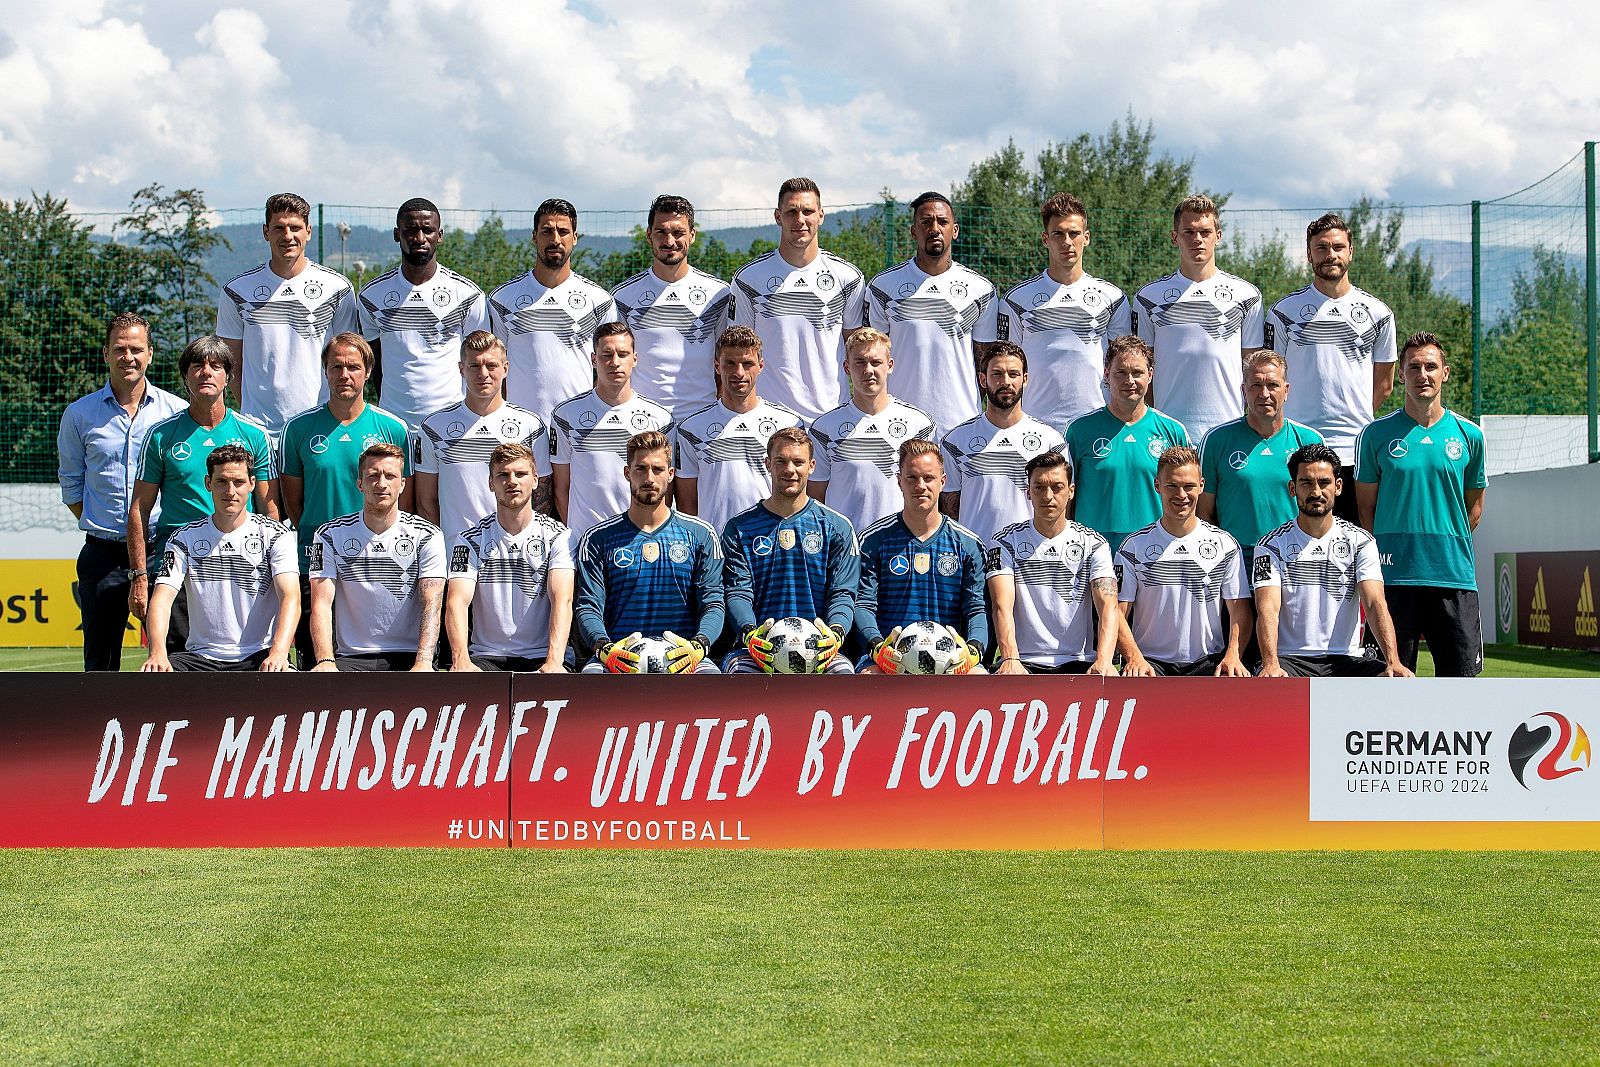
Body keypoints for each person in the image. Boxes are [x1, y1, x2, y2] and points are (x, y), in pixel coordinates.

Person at [127, 336, 278, 648]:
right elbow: (139, 509)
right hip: (179, 568)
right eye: (197, 365)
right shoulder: (161, 436)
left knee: (245, 661)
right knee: (175, 664)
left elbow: (270, 510)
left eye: (216, 366)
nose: (206, 372)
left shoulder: (254, 435)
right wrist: (140, 576)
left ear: (228, 377)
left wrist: (276, 569)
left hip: (242, 564)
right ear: (186, 376)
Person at [58, 312, 184, 670]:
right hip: (103, 555)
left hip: (163, 552)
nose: (128, 357)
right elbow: (71, 484)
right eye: (119, 349)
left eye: (136, 349)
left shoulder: (176, 413)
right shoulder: (79, 414)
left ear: (150, 354)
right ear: (106, 354)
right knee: (100, 664)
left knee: (173, 658)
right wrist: (106, 525)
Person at [1356, 332, 1487, 677]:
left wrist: (1441, 544)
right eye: (1413, 367)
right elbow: (1366, 509)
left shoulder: (1470, 435)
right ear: (1401, 374)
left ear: (1445, 373)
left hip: (1453, 576)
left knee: (1461, 683)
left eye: (1430, 366)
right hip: (1393, 578)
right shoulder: (1374, 435)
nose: (1422, 374)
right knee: (1387, 680)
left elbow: (1474, 510)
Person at [280, 333, 412, 666]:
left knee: (373, 662)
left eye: (353, 367)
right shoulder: (297, 429)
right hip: (316, 562)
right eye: (336, 367)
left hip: (376, 563)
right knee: (318, 664)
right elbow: (294, 503)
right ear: (324, 370)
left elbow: (403, 500)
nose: (344, 375)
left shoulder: (394, 428)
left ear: (368, 372)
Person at [1268, 213, 1397, 521]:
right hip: (1297, 449)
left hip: (1356, 450)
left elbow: (1385, 384)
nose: (1330, 255)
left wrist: (1351, 414)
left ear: (1350, 251)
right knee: (1298, 538)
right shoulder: (1283, 312)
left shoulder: (1378, 313)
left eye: (1338, 247)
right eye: (1322, 248)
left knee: (1357, 539)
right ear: (1309, 253)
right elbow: (1272, 378)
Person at [1254, 444, 1412, 678]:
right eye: (1306, 483)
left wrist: (1393, 661)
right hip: (1290, 661)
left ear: (1338, 486)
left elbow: (1374, 602)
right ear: (1292, 488)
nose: (1316, 492)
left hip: (1346, 659)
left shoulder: (1361, 542)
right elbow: (1268, 609)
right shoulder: (1269, 546)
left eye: (1324, 482)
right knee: (1269, 678)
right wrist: (1270, 663)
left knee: (1393, 678)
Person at [573, 431, 724, 674]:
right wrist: (604, 648)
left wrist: (698, 646)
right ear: (627, 473)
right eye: (641, 469)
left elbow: (713, 603)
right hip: (619, 656)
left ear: (671, 474)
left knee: (712, 678)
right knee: (591, 677)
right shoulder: (598, 539)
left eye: (658, 469)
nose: (649, 478)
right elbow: (588, 607)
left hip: (683, 657)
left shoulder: (701, 535)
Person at [141, 446, 298, 672]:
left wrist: (279, 653)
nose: (230, 491)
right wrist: (157, 653)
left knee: (292, 684)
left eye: (238, 482)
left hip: (260, 655)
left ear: (252, 483)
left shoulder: (275, 535)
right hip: (199, 657)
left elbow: (290, 597)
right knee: (151, 678)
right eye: (222, 481)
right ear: (208, 483)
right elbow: (161, 599)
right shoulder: (184, 538)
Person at [216, 192, 359, 435]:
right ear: (266, 232)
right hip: (258, 431)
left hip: (322, 427)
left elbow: (350, 360)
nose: (288, 236)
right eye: (279, 228)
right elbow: (231, 365)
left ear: (309, 231)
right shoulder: (237, 291)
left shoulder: (338, 288)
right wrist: (252, 412)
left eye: (295, 227)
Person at [728, 177, 865, 422]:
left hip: (831, 418)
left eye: (807, 211)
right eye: (791, 212)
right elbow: (738, 354)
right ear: (778, 217)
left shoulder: (848, 277)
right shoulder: (748, 279)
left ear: (821, 216)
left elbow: (858, 351)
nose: (800, 220)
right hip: (770, 420)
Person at [721, 428, 859, 674]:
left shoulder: (837, 527)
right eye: (781, 461)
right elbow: (737, 592)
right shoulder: (739, 528)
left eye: (798, 462)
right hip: (756, 649)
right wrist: (750, 634)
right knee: (739, 674)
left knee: (843, 674)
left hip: (820, 649)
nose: (789, 470)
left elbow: (842, 593)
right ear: (768, 464)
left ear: (812, 466)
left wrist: (835, 633)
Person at [995, 192, 1131, 434]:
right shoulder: (1016, 300)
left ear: (1086, 238)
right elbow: (1007, 367)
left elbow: (1123, 366)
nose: (1067, 241)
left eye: (1074, 233)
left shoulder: (1113, 298)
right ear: (1045, 239)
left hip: (1098, 424)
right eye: (1058, 233)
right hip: (1035, 427)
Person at [865, 191, 998, 436]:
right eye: (926, 222)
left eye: (942, 222)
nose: (934, 229)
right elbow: (872, 359)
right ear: (913, 231)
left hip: (960, 425)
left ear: (954, 231)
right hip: (898, 424)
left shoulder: (981, 290)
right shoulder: (882, 287)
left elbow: (986, 365)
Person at [1134, 194, 1263, 442]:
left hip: (1228, 431)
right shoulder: (1148, 298)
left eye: (1205, 232)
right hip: (1166, 432)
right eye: (1189, 232)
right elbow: (1143, 371)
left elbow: (1253, 370)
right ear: (1175, 237)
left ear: (1218, 236)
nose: (1197, 239)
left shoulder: (1247, 296)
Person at [1115, 446, 1253, 677]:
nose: (1181, 495)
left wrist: (1233, 655)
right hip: (1149, 666)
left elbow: (1239, 610)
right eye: (1172, 486)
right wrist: (1134, 658)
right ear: (1157, 485)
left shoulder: (1225, 545)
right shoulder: (1133, 547)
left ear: (1201, 485)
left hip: (1208, 664)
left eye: (1188, 486)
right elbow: (1116, 612)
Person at [357, 197, 491, 432]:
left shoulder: (467, 295)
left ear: (440, 235)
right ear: (397, 234)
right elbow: (373, 364)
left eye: (427, 230)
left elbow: (481, 360)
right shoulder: (371, 296)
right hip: (393, 425)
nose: (419, 238)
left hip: (452, 425)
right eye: (411, 230)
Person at [308, 443, 445, 671]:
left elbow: (432, 602)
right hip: (351, 656)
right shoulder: (329, 535)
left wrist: (423, 661)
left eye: (390, 476)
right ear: (360, 484)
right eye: (373, 476)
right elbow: (321, 603)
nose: (381, 484)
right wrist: (325, 661)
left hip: (409, 655)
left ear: (402, 484)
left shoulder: (428, 534)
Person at [856, 439, 987, 675]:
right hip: (889, 659)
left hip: (949, 660)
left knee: (979, 677)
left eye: (928, 478)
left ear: (942, 481)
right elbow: (863, 605)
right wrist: (877, 648)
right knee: (868, 677)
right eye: (912, 478)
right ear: (899, 481)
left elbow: (976, 609)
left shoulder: (968, 544)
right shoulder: (873, 540)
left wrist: (973, 650)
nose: (920, 486)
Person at [445, 444, 574, 673]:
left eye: (521, 474)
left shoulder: (559, 536)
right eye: (503, 475)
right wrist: (461, 659)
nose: (512, 481)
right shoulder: (469, 540)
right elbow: (456, 602)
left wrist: (554, 661)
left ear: (535, 480)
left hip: (542, 655)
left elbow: (562, 600)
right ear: (490, 483)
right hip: (487, 657)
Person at [987, 452, 1119, 675]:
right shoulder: (1004, 542)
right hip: (1023, 663)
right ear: (1028, 492)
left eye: (1057, 487)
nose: (1048, 496)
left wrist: (1104, 660)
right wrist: (1010, 658)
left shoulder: (1094, 543)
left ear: (1071, 491)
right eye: (1039, 487)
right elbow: (1001, 605)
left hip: (1078, 662)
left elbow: (1108, 604)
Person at [487, 198, 618, 422]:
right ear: (534, 236)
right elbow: (495, 368)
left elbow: (610, 370)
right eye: (547, 231)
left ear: (575, 237)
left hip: (578, 427)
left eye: (563, 231)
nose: (555, 239)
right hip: (521, 428)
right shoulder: (502, 299)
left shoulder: (599, 301)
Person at [415, 331, 549, 544]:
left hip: (517, 553)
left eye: (491, 366)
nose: (483, 374)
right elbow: (425, 503)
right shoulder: (434, 427)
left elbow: (542, 499)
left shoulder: (530, 426)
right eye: (474, 366)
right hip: (457, 553)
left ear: (506, 368)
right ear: (461, 369)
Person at [673, 326, 805, 536]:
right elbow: (687, 505)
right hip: (716, 545)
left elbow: (799, 495)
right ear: (717, 366)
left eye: (747, 364)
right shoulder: (691, 429)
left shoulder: (788, 424)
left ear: (760, 366)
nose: (739, 373)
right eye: (730, 364)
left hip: (773, 542)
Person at [1063, 336, 1190, 553]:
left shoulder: (1173, 431)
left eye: (1137, 372)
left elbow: (1190, 494)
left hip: (1155, 550)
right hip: (1095, 551)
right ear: (1106, 374)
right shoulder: (1079, 430)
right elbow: (1065, 497)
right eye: (1120, 372)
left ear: (1150, 374)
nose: (1129, 380)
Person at [611, 194, 732, 419]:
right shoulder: (623, 297)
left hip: (701, 420)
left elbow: (728, 361)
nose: (669, 241)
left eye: (678, 233)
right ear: (649, 235)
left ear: (692, 235)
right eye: (661, 232)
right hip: (644, 422)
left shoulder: (718, 294)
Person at [807, 328, 936, 535]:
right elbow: (816, 497)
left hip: (901, 542)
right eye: (860, 362)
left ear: (890, 365)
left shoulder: (918, 425)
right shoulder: (824, 428)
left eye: (876, 362)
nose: (868, 370)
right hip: (845, 544)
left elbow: (931, 492)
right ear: (847, 367)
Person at [550, 323, 673, 539]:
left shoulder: (661, 419)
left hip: (640, 540)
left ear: (635, 359)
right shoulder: (565, 415)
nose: (615, 362)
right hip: (585, 540)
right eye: (606, 355)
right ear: (593, 359)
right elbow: (561, 488)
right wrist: (579, 536)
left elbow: (666, 490)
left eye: (622, 354)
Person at [939, 342, 1065, 546]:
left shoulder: (1050, 441)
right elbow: (949, 512)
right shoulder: (955, 442)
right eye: (997, 374)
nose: (1005, 382)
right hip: (976, 556)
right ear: (983, 379)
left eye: (1013, 374)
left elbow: (1062, 509)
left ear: (1025, 379)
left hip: (1031, 555)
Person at [1198, 350, 1323, 549]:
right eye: (1256, 385)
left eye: (1273, 385)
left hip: (1293, 555)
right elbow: (1203, 513)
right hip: (1238, 558)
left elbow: (1321, 508)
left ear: (1286, 390)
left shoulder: (1310, 440)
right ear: (1244, 391)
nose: (1264, 394)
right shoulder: (1216, 440)